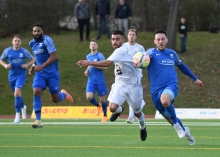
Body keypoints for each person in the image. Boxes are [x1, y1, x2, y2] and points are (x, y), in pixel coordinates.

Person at [77, 30, 147, 141]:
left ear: (123, 40)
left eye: (117, 39)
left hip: (134, 86)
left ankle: (142, 126)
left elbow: (107, 63)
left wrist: (89, 62)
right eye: (113, 39)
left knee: (138, 112)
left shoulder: (121, 50)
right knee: (112, 108)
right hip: (120, 84)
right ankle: (119, 110)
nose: (114, 41)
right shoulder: (120, 50)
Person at [145, 29, 204, 145]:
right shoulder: (149, 54)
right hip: (155, 91)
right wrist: (140, 60)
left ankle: (177, 127)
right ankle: (187, 133)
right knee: (170, 117)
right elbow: (139, 63)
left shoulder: (172, 54)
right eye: (158, 39)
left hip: (170, 86)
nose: (160, 41)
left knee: (165, 101)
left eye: (162, 39)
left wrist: (195, 78)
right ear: (155, 41)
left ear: (166, 40)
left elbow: (182, 66)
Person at [29, 23, 73, 128]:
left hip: (52, 73)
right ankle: (38, 121)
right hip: (40, 74)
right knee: (36, 91)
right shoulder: (32, 43)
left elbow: (54, 56)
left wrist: (42, 66)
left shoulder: (47, 40)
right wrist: (33, 66)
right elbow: (37, 57)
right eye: (34, 31)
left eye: (38, 31)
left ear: (42, 32)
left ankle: (63, 94)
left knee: (55, 99)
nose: (36, 33)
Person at [0, 35, 35, 123]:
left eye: (18, 41)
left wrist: (26, 65)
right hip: (11, 76)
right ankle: (23, 107)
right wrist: (5, 65)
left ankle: (17, 115)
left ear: (21, 42)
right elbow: (1, 60)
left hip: (21, 75)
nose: (17, 42)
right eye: (15, 41)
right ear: (12, 42)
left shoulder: (24, 51)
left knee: (17, 92)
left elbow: (33, 59)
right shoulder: (7, 51)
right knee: (17, 95)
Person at [123, 29, 145, 124]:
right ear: (127, 36)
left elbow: (145, 60)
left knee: (134, 94)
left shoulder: (140, 48)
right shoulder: (123, 46)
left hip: (136, 74)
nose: (131, 36)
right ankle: (133, 114)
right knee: (129, 94)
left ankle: (133, 114)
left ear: (136, 36)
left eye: (133, 34)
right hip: (126, 74)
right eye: (130, 34)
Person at [84, 39, 108, 122]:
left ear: (97, 46)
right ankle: (98, 105)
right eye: (91, 44)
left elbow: (105, 67)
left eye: (94, 44)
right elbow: (89, 65)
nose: (93, 45)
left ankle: (105, 116)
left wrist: (95, 65)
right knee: (89, 97)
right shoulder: (88, 56)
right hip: (91, 80)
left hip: (100, 81)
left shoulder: (100, 56)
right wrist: (87, 70)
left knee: (102, 99)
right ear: (89, 46)